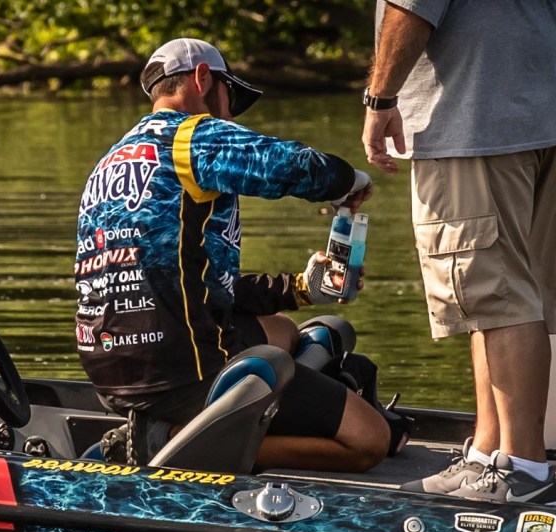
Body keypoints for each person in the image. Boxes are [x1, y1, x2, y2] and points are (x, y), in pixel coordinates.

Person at [76, 37, 406, 472]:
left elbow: (192, 282)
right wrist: (350, 182)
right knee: (370, 440)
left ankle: (174, 424)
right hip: (182, 372)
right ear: (202, 79)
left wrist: (300, 289)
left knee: (281, 330)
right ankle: (170, 443)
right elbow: (294, 166)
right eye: (230, 98)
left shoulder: (109, 160)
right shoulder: (189, 136)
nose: (231, 116)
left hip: (111, 371)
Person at [362, 1, 556, 504]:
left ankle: (523, 471)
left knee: (496, 295)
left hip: (473, 114)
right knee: (508, 293)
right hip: (546, 113)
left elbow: (411, 7)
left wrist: (380, 98)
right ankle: (489, 456)